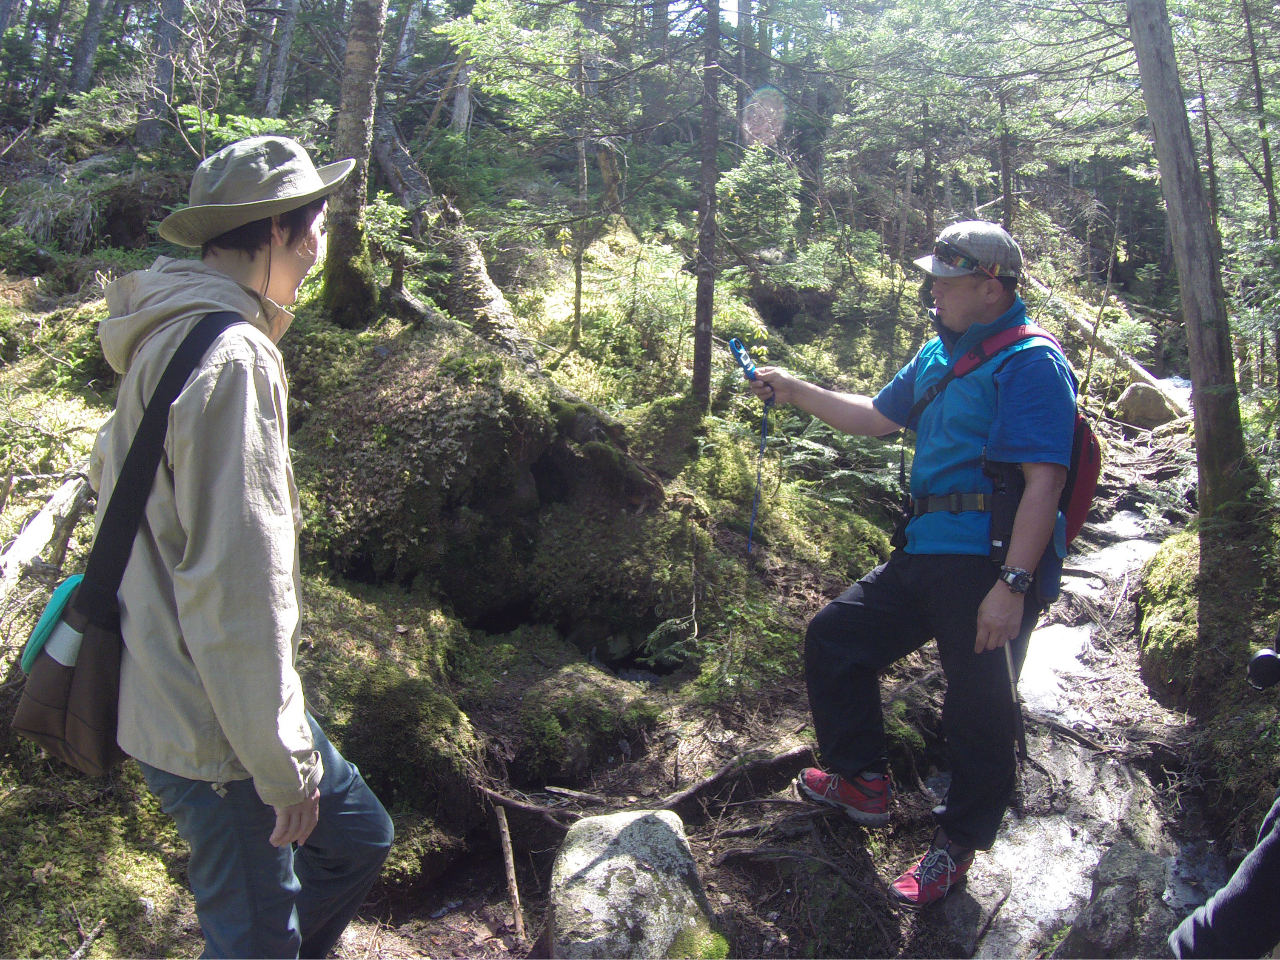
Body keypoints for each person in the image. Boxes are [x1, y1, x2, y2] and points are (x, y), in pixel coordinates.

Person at [89, 136, 394, 958]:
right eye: (315, 229)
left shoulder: (169, 331)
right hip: (210, 726)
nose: (319, 249)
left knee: (358, 836)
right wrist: (278, 765)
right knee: (255, 940)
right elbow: (235, 585)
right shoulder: (234, 354)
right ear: (278, 232)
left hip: (192, 686)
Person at [749, 221, 1077, 907]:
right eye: (933, 278)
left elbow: (1044, 482)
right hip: (923, 550)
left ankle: (958, 844)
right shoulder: (936, 354)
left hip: (989, 563)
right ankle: (863, 781)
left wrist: (1013, 586)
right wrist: (796, 388)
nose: (934, 291)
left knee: (978, 706)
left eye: (948, 281)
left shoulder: (1032, 362)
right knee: (836, 637)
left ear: (991, 288)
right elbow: (875, 417)